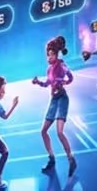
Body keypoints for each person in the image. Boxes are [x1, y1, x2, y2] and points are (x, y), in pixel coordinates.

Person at [32, 35, 76, 175]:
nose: (49, 57)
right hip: (53, 100)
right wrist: (38, 82)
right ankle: (51, 158)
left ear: (57, 54)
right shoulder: (49, 69)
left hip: (62, 98)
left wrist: (62, 82)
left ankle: (71, 159)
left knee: (59, 132)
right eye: (48, 55)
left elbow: (70, 77)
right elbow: (47, 84)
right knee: (43, 131)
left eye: (52, 54)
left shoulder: (61, 64)